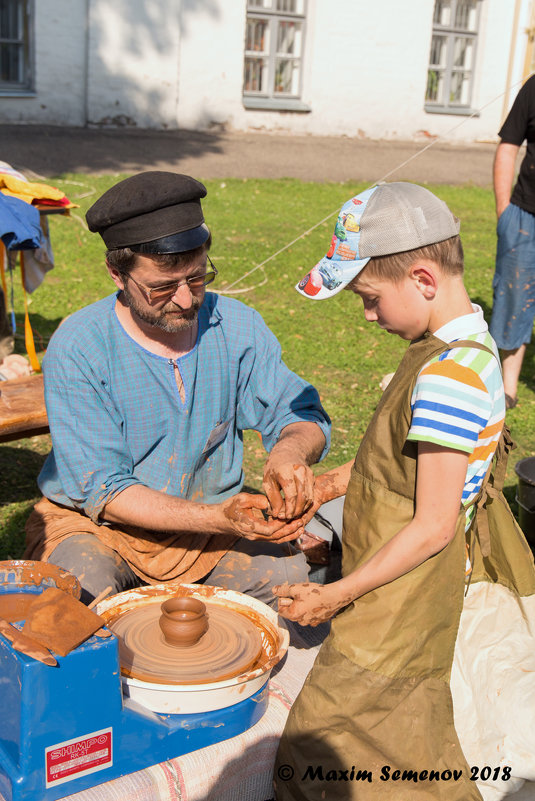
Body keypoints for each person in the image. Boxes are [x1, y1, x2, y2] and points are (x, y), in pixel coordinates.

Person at [273, 182, 535, 801]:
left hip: (408, 587)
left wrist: (334, 595)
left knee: (331, 744)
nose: (367, 315)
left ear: (421, 277)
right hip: (396, 572)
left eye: (369, 298)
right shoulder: (464, 348)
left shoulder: (447, 378)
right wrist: (331, 484)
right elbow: (415, 465)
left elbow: (433, 524)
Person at [24, 171, 331, 606]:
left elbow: (302, 414)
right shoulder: (80, 345)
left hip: (213, 531)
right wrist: (217, 518)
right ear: (117, 274)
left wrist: (289, 451)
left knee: (291, 579)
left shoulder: (238, 325)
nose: (186, 300)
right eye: (163, 287)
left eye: (198, 278)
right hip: (102, 528)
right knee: (81, 590)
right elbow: (104, 491)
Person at [489, 74, 535, 409]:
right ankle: (507, 388)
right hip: (524, 216)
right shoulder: (534, 87)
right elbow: (508, 145)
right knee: (513, 297)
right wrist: (504, 210)